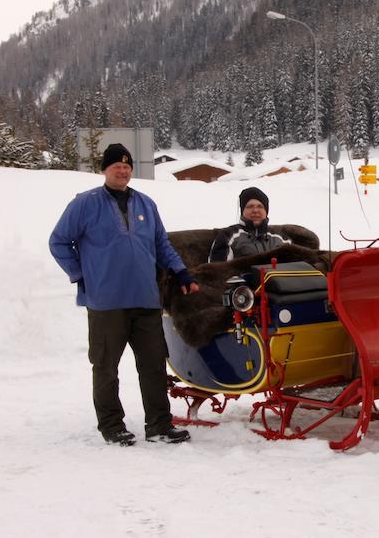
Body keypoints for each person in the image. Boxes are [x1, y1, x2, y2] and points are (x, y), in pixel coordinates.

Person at [49, 143, 199, 446]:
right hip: (106, 303)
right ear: (104, 169)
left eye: (127, 166)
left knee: (154, 365)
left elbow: (161, 245)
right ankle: (111, 426)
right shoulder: (85, 204)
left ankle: (159, 425)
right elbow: (59, 242)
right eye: (116, 165)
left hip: (145, 299)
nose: (122, 170)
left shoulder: (146, 204)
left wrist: (180, 271)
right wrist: (81, 275)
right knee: (106, 366)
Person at [208, 187, 286, 262]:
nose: (255, 210)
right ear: (242, 211)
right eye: (250, 206)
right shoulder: (227, 236)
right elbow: (216, 271)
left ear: (266, 211)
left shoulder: (280, 237)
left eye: (260, 206)